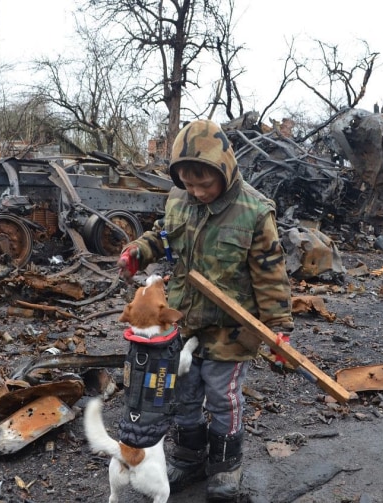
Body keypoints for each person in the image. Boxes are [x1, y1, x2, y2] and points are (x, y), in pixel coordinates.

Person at [117, 119, 294, 501]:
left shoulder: (254, 212)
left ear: (225, 171)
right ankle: (189, 458)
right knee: (182, 391)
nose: (196, 192)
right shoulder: (180, 199)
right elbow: (163, 236)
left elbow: (270, 275)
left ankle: (226, 467)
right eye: (188, 184)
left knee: (222, 395)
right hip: (184, 320)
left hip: (233, 326)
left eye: (204, 184)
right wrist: (138, 251)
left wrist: (278, 328)